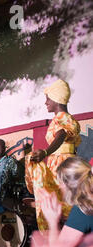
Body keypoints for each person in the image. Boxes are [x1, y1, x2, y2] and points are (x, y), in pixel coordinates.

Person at [12, 157, 93, 247]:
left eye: (60, 183)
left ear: (69, 185)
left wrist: (52, 221)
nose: (60, 187)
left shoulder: (83, 209)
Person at [25, 79, 81, 231]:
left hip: (61, 164)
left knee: (59, 206)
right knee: (66, 205)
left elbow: (61, 135)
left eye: (48, 98)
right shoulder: (67, 117)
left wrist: (45, 152)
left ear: (56, 99)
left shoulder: (61, 118)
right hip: (68, 163)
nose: (45, 102)